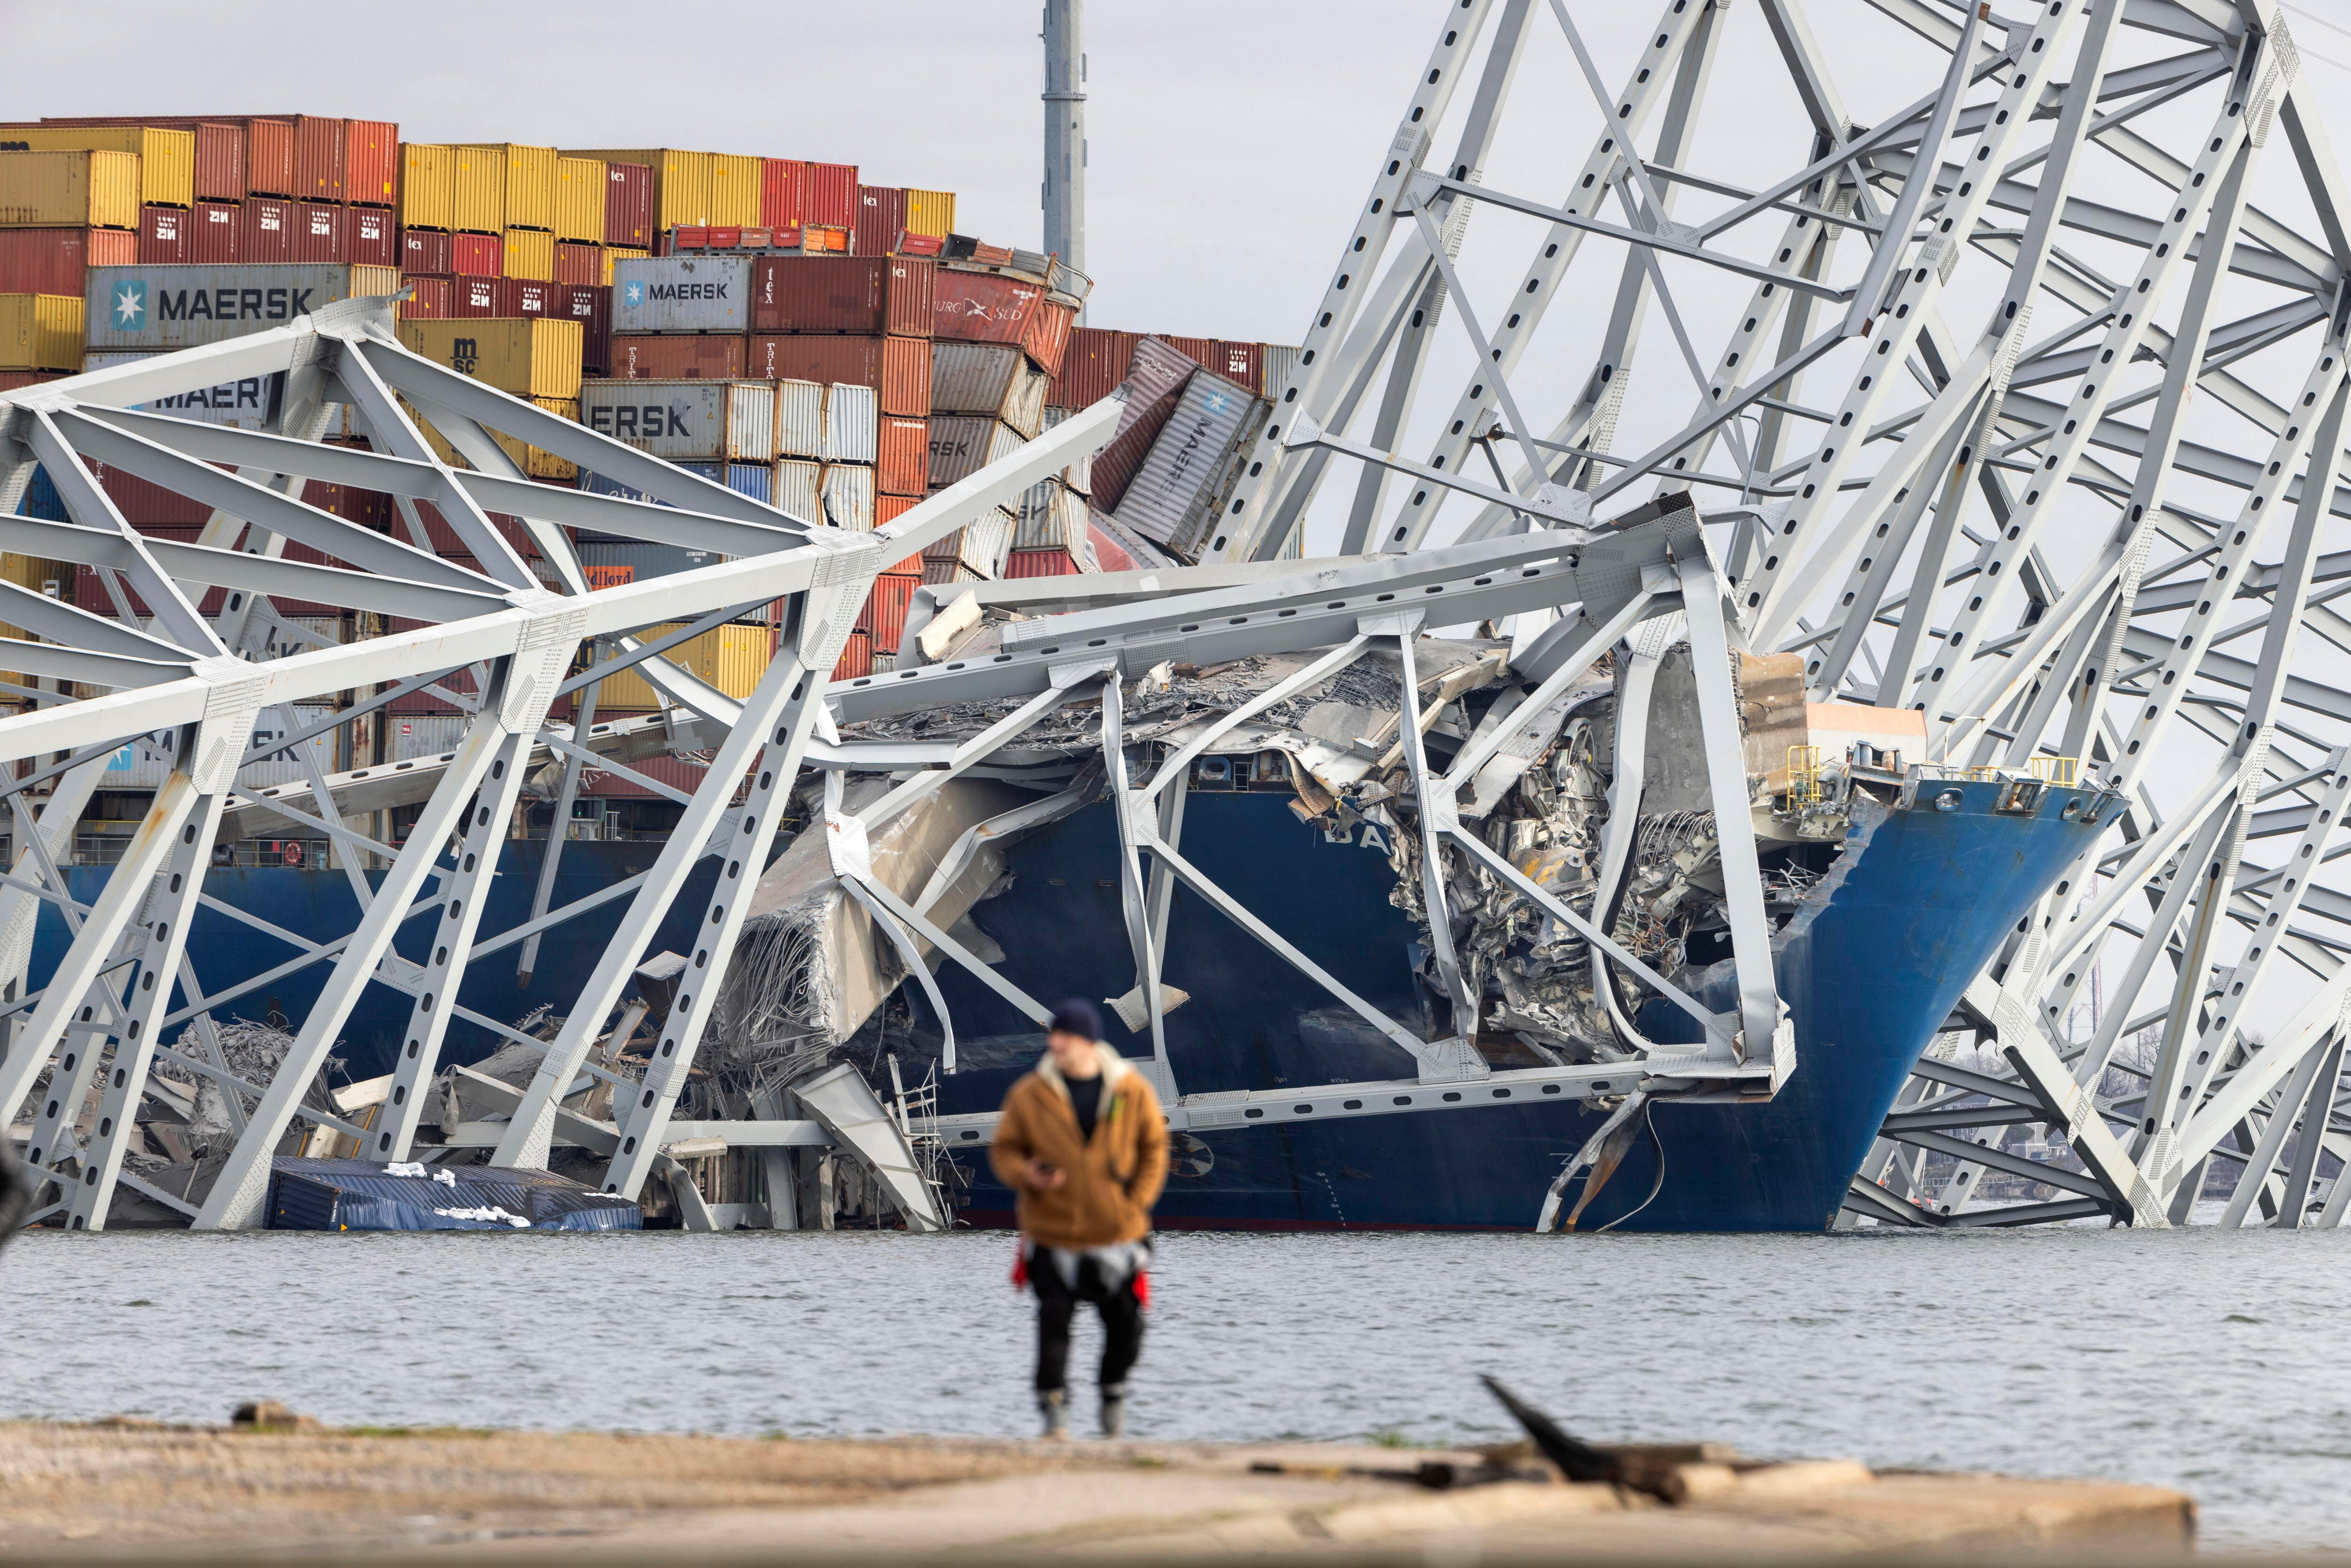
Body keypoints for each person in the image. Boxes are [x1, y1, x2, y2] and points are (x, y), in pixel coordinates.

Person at [990, 998, 1168, 1440]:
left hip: (1117, 1231)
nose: (1055, 1044)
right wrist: (1027, 1174)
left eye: (1065, 1037)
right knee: (1054, 1323)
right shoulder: (1031, 1094)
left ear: (1088, 1041)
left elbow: (1154, 1148)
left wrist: (1136, 1201)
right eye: (1054, 1036)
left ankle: (1113, 1391)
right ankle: (1055, 1413)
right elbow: (1005, 1150)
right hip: (1053, 1232)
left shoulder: (1131, 1090)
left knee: (1127, 1325)